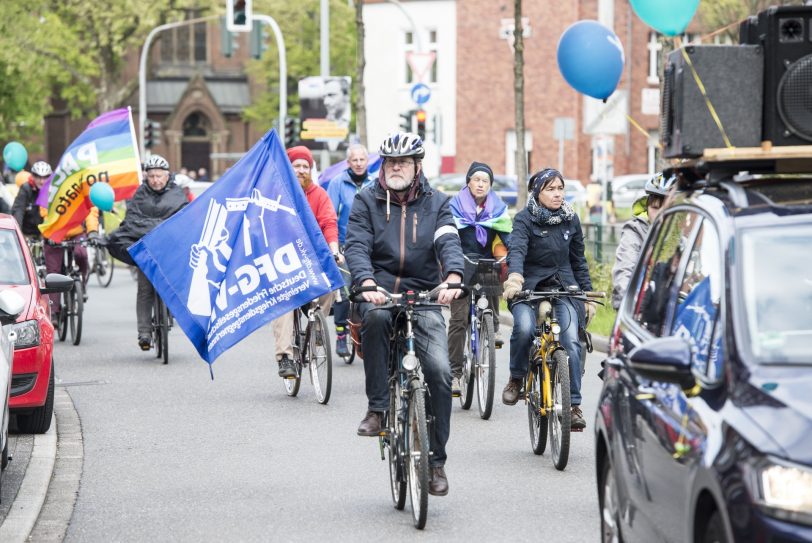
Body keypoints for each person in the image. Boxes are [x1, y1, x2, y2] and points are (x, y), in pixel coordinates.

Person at [345, 131, 464, 496]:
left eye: (404, 162)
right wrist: (365, 282)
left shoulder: (438, 203)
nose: (396, 167)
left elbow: (448, 242)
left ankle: (437, 463)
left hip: (423, 292)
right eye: (391, 162)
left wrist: (455, 276)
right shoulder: (366, 200)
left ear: (417, 166)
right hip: (379, 290)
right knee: (376, 319)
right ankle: (378, 409)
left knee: (441, 373)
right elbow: (357, 245)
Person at [501, 168, 594, 430]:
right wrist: (515, 278)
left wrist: (584, 294)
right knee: (525, 328)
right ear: (537, 192)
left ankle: (573, 405)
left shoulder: (571, 219)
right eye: (550, 189)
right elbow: (516, 250)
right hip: (528, 287)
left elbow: (578, 260)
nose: (557, 194)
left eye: (560, 189)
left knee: (571, 341)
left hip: (564, 286)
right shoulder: (524, 219)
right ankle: (517, 378)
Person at [105, 154, 188, 350]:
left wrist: (158, 228)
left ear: (167, 176)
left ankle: (170, 311)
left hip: (168, 250)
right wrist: (158, 227)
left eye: (159, 176)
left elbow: (184, 219)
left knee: (174, 284)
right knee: (144, 289)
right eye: (151, 176)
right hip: (146, 249)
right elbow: (132, 222)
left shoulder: (177, 194)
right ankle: (144, 332)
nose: (156, 180)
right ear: (146, 177)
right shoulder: (139, 194)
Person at [273, 146, 341, 378]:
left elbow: (329, 223)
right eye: (297, 166)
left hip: (311, 262)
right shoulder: (277, 194)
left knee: (331, 285)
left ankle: (317, 327)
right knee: (284, 303)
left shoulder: (319, 195)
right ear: (288, 168)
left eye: (305, 166)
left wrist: (334, 249)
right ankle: (285, 357)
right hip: (284, 264)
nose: (301, 170)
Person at [447, 161, 512, 396]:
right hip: (460, 262)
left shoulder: (498, 207)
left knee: (493, 277)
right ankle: (454, 373)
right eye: (477, 180)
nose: (481, 184)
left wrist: (512, 254)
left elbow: (507, 235)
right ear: (468, 182)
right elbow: (447, 237)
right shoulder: (454, 206)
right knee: (459, 318)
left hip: (485, 262)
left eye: (485, 181)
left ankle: (492, 324)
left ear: (490, 185)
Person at [325, 144, 375, 357]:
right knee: (345, 293)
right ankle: (341, 336)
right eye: (354, 160)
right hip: (346, 246)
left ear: (367, 161)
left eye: (362, 159)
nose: (358, 163)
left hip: (370, 246)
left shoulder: (375, 184)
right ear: (348, 163)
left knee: (368, 291)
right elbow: (330, 218)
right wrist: (335, 248)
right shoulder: (338, 183)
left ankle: (366, 333)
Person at [611, 172, 673, 310]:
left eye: (666, 209)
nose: (659, 214)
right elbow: (625, 269)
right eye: (655, 208)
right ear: (647, 207)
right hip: (636, 306)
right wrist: (631, 302)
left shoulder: (681, 234)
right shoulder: (635, 231)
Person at [11, 161, 50, 239]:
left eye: (45, 177)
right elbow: (18, 210)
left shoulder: (51, 189)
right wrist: (18, 234)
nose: (42, 181)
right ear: (33, 176)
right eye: (38, 177)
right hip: (27, 233)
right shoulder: (26, 188)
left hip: (45, 234)